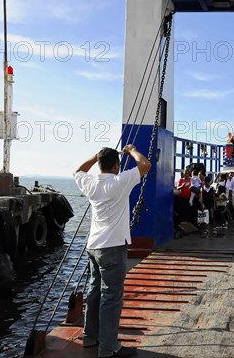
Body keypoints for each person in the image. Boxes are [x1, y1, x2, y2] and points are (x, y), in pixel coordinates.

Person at [74, 144, 151, 358]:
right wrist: (133, 150)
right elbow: (145, 165)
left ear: (99, 165)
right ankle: (108, 347)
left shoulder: (89, 182)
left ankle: (90, 337)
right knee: (111, 298)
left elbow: (78, 170)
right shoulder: (119, 182)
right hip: (113, 247)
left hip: (93, 245)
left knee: (94, 291)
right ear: (117, 166)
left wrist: (96, 156)